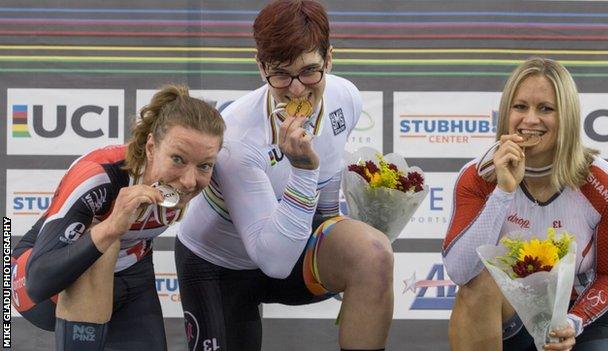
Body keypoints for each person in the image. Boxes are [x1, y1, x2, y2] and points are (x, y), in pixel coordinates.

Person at [174, 1, 394, 350]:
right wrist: (304, 170)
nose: (296, 89)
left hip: (291, 249)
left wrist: (346, 262)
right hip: (218, 264)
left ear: (329, 60)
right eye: (280, 74)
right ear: (260, 67)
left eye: (309, 71)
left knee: (374, 254)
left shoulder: (345, 97)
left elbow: (325, 205)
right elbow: (274, 261)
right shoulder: (237, 136)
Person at [11, 84, 225, 350]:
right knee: (105, 243)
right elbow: (38, 283)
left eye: (204, 166)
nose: (189, 180)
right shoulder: (100, 176)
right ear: (150, 147)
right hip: (41, 280)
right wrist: (112, 226)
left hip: (130, 275)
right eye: (178, 159)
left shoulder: (204, 171)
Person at [442, 57, 608, 351]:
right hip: (510, 316)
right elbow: (461, 273)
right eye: (520, 106)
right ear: (506, 112)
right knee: (478, 283)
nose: (530, 120)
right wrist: (503, 191)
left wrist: (574, 322)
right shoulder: (478, 177)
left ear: (567, 116)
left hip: (579, 319)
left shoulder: (605, 185)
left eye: (546, 109)